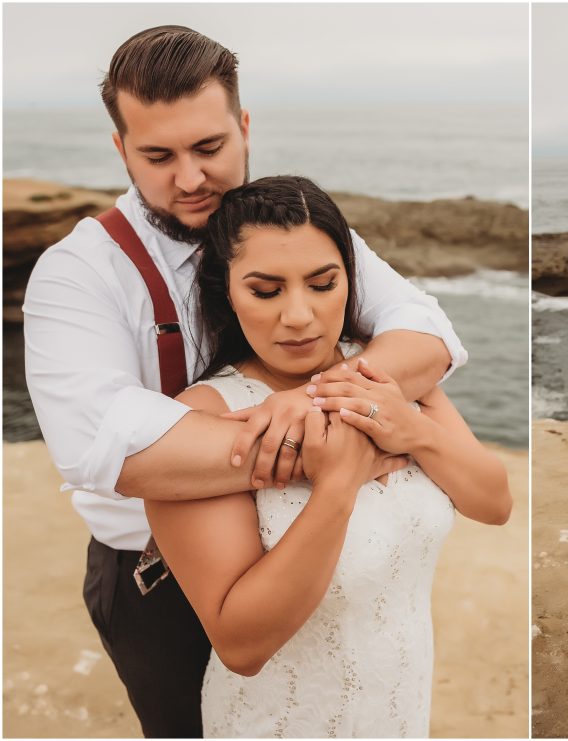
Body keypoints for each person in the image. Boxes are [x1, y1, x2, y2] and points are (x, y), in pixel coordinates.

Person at [23, 26, 466, 738]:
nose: (191, 178)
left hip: (313, 547)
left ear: (244, 125)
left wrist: (309, 404)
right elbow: (110, 451)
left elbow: (429, 336)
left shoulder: (286, 227)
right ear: (120, 150)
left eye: (209, 148)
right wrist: (333, 440)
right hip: (161, 583)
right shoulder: (78, 275)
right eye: (158, 156)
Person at [143, 175, 511, 736]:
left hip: (401, 712)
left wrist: (413, 431)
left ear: (350, 282)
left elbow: (494, 502)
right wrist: (338, 485)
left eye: (322, 283)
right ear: (226, 293)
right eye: (265, 291)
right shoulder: (204, 421)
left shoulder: (380, 372)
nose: (299, 315)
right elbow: (241, 643)